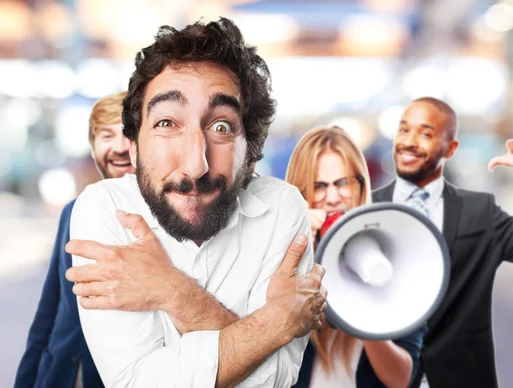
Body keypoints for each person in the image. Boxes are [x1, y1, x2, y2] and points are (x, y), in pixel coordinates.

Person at [63, 18, 326, 388]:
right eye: (168, 123)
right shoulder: (103, 209)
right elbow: (134, 382)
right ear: (134, 150)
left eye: (221, 126)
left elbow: (278, 382)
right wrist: (276, 323)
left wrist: (168, 289)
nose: (196, 165)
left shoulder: (282, 208)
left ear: (249, 154)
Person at [372, 97, 513, 388]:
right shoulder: (366, 210)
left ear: (450, 148)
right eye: (404, 130)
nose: (409, 141)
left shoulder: (479, 212)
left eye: (426, 134)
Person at [286, 125, 426, 388]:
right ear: (299, 194)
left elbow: (401, 379)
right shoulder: (278, 259)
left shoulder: (397, 260)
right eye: (318, 186)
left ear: (361, 185)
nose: (332, 197)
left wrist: (363, 313)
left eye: (342, 183)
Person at [15, 91, 133, 388]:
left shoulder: (167, 218)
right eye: (106, 136)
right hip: (57, 375)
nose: (118, 148)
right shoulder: (74, 211)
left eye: (127, 135)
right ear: (93, 147)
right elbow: (49, 311)